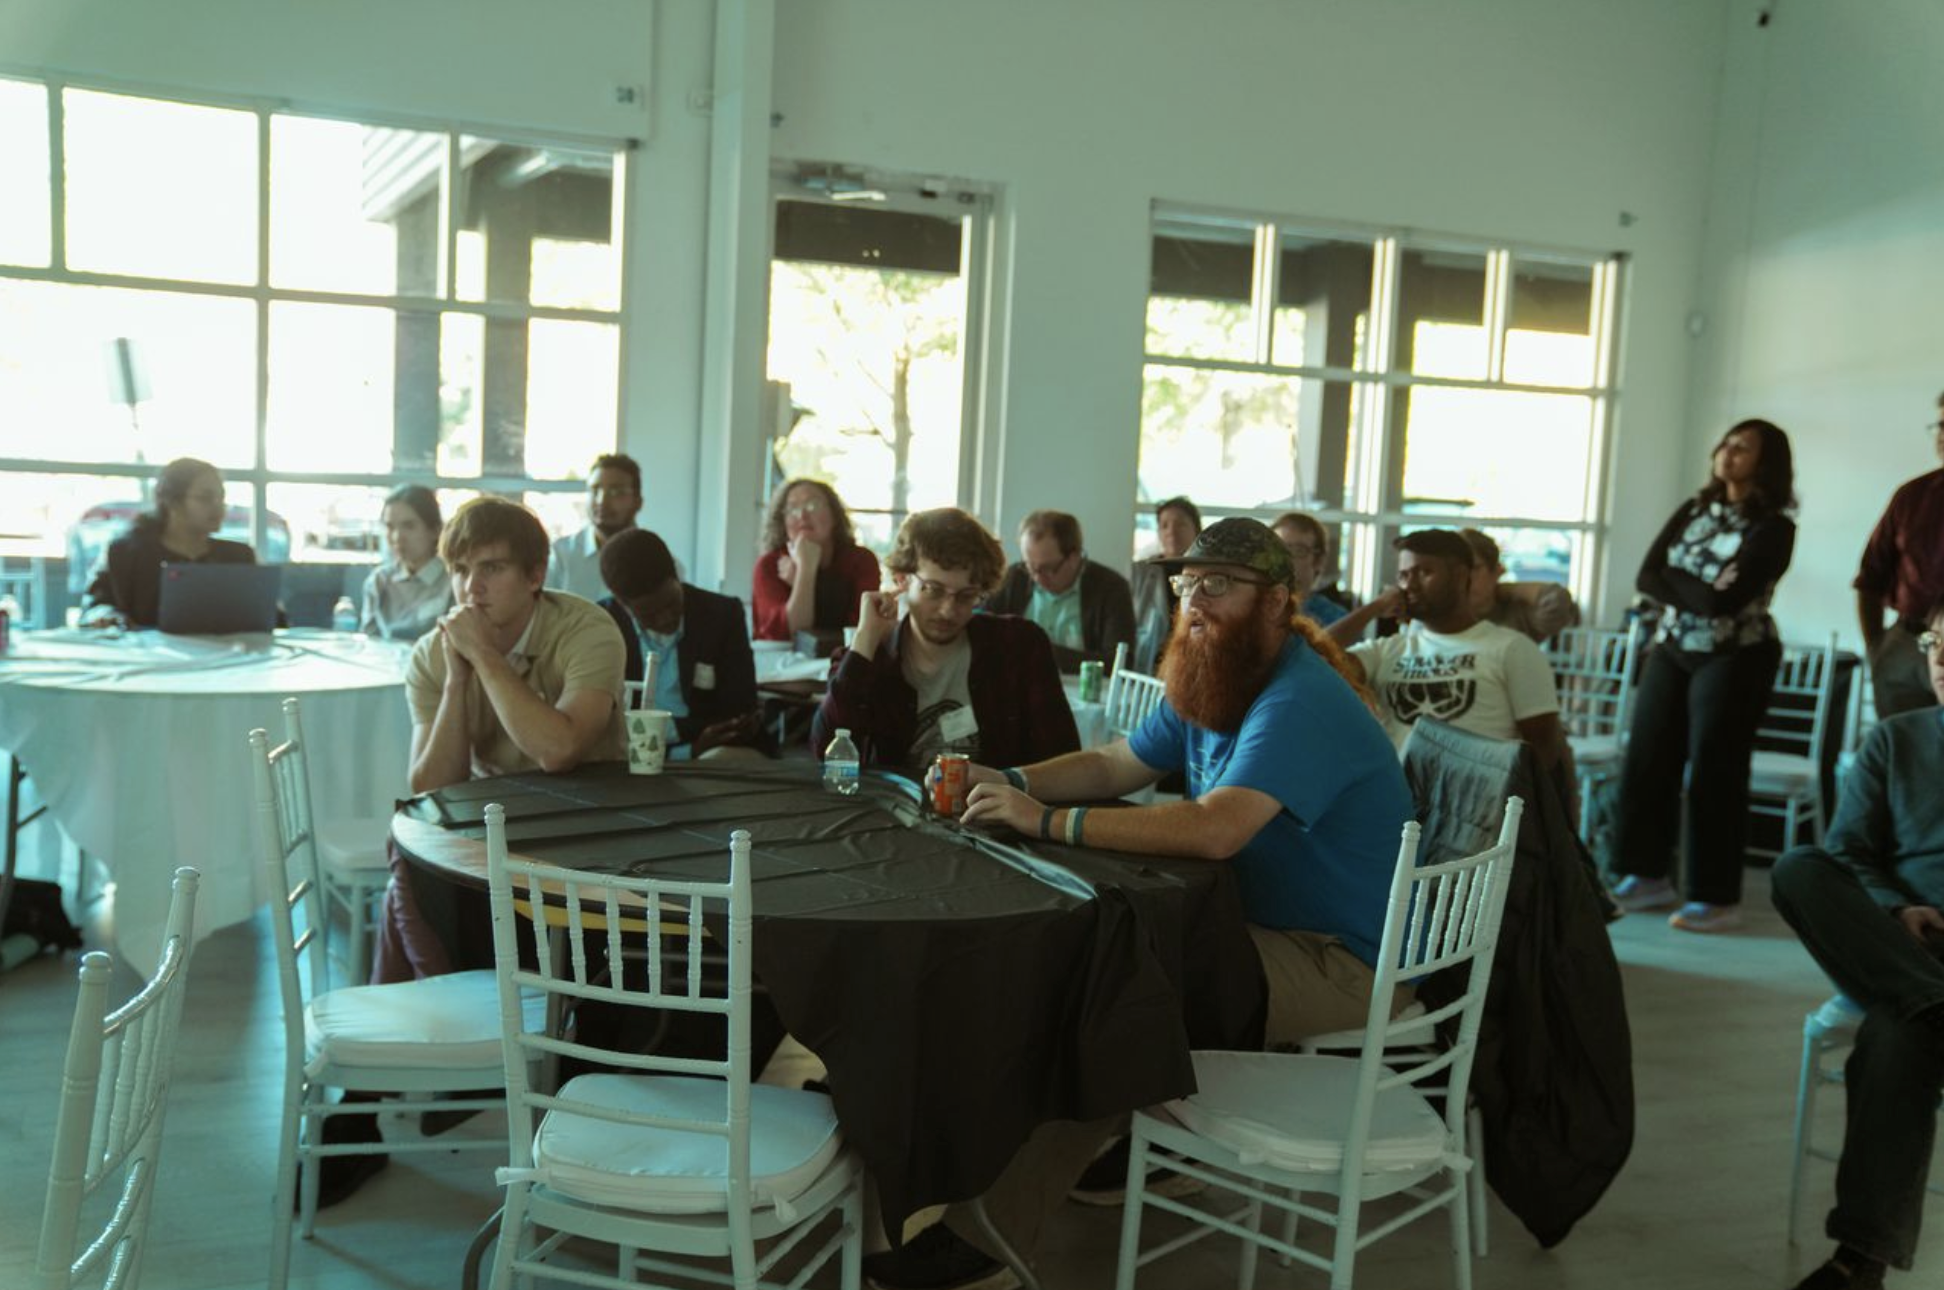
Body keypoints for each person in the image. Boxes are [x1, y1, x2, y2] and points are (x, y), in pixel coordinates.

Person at [862, 518, 1411, 1290]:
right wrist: (1012, 780)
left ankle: (987, 1237)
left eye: (1219, 585)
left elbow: (1217, 829)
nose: (1195, 601)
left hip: (1341, 958)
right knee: (1094, 965)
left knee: (1116, 998)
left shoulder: (1298, 698)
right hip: (1252, 926)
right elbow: (1117, 761)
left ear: (1277, 601)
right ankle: (1107, 1145)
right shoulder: (1220, 670)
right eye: (1186, 584)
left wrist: (1046, 823)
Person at [1769, 601, 1944, 1290]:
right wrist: (1896, 907)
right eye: (1937, 644)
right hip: (1898, 942)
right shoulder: (1896, 739)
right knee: (1798, 869)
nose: (1943, 661)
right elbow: (1847, 850)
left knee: (1898, 1033)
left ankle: (1858, 1263)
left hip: (1911, 977)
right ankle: (1935, 1003)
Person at [1609, 418, 1797, 933]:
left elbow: (1725, 602)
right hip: (1673, 648)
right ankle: (1646, 875)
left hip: (1736, 654)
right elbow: (1646, 576)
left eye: (1744, 447)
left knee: (1715, 770)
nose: (1728, 452)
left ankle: (1715, 897)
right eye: (1727, 442)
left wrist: (1682, 583)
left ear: (1767, 462)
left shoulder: (1774, 528)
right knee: (1647, 757)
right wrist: (1696, 588)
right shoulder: (1694, 509)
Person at [811, 507, 1077, 776]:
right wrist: (864, 640)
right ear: (902, 580)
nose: (948, 611)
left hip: (994, 812)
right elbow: (827, 757)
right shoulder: (869, 658)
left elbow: (1062, 759)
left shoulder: (1019, 646)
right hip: (894, 812)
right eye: (933, 591)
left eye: (966, 595)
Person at [1338, 530, 1575, 789]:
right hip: (1399, 806)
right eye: (1404, 576)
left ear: (1462, 576)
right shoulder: (1386, 651)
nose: (1411, 586)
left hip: (1477, 811)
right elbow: (1313, 658)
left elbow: (1543, 754)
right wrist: (1375, 607)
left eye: (1424, 572)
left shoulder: (1512, 648)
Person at [597, 527, 766, 759]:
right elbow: (602, 723)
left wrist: (656, 733)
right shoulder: (601, 625)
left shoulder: (722, 615)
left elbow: (739, 709)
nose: (665, 618)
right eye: (649, 615)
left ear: (676, 575)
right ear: (622, 604)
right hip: (625, 755)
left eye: (671, 603)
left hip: (711, 753)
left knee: (725, 758)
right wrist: (686, 744)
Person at [80, 457, 254, 628]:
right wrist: (106, 615)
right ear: (172, 502)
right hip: (145, 655)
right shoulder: (125, 553)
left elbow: (272, 617)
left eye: (221, 498)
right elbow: (95, 606)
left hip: (228, 654)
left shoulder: (239, 556)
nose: (219, 506)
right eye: (205, 498)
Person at [1854, 391, 1944, 718]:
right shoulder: (1911, 496)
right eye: (1941, 425)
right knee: (1901, 754)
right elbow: (1869, 577)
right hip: (1904, 644)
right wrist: (1877, 649)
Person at [983, 509, 1136, 673]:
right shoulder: (1015, 577)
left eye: (1047, 568)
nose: (1037, 578)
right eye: (1030, 566)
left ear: (1075, 556)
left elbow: (1120, 663)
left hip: (1083, 694)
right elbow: (983, 630)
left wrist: (1039, 650)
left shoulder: (1111, 588)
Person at [751, 477, 881, 642]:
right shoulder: (769, 565)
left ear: (834, 515)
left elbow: (859, 629)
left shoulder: (861, 561)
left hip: (845, 658)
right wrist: (806, 568)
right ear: (782, 521)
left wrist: (804, 578)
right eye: (792, 509)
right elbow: (791, 633)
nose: (802, 515)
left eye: (812, 505)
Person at [357, 484, 451, 641]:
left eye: (409, 526)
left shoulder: (452, 582)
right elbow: (368, 644)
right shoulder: (379, 581)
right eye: (389, 527)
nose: (396, 537)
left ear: (435, 530)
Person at [546, 453, 644, 601]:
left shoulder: (659, 561)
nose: (601, 501)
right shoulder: (561, 556)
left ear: (637, 502)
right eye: (595, 490)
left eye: (615, 491)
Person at [1457, 527, 1580, 643]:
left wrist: (1509, 589)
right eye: (1457, 570)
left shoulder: (1517, 616)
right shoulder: (1443, 616)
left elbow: (1556, 603)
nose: (1466, 578)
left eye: (1474, 568)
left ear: (1496, 570)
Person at [1128, 495, 1202, 672]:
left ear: (1197, 529)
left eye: (1180, 524)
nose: (1171, 531)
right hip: (1148, 665)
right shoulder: (1140, 572)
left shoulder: (1207, 573)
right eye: (1164, 525)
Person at [1269, 510, 1349, 627]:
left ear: (1318, 561)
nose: (1286, 559)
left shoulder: (1337, 619)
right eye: (1279, 549)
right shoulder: (1251, 608)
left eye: (1299, 550)